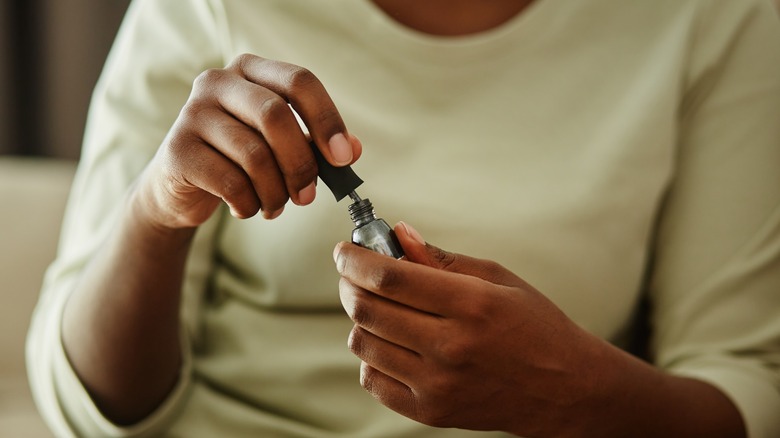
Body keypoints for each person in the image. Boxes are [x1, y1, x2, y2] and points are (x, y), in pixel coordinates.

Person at [26, 0, 780, 437]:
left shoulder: (718, 19)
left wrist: (574, 390)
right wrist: (157, 214)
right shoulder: (203, 9)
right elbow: (83, 408)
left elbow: (747, 387)